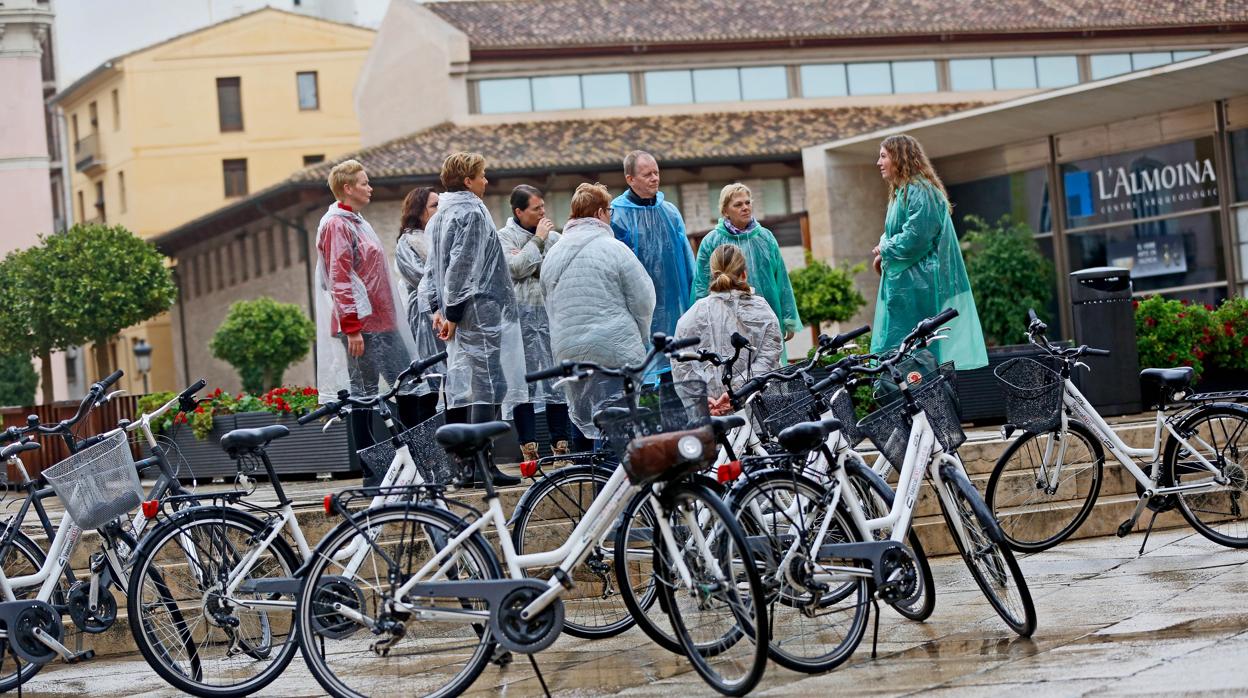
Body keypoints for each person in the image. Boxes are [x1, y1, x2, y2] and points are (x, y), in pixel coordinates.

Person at [424, 152, 527, 485]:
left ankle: (469, 467)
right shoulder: (471, 211)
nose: (487, 181)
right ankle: (481, 466)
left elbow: (433, 269)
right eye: (482, 175)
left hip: (458, 308)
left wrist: (437, 308)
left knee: (472, 384)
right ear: (468, 180)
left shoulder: (441, 214)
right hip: (478, 307)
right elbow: (462, 265)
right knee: (487, 383)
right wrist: (451, 311)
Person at [312, 159, 421, 448]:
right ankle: (372, 470)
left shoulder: (357, 221)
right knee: (364, 396)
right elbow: (338, 277)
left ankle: (415, 460)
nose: (370, 188)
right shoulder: (337, 225)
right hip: (362, 327)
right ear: (347, 188)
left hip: (382, 322)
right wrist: (352, 328)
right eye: (364, 183)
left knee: (407, 387)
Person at [544, 183, 656, 440]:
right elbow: (644, 299)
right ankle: (614, 476)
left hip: (569, 350)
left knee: (586, 420)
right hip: (612, 348)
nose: (611, 217)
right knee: (617, 422)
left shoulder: (553, 253)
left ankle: (587, 475)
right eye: (609, 211)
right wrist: (641, 335)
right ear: (599, 214)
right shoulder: (615, 249)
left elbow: (548, 303)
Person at [870, 134, 988, 369]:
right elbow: (897, 233)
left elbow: (917, 236)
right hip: (907, 289)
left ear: (900, 158)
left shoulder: (920, 190)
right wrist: (884, 251)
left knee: (920, 359)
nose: (878, 162)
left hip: (919, 288)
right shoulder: (902, 193)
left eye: (883, 156)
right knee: (904, 357)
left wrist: (885, 248)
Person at [497, 184, 574, 463]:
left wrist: (531, 261)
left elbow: (557, 272)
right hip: (520, 321)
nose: (543, 213)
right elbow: (514, 270)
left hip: (551, 318)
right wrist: (538, 243)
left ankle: (561, 450)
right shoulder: (503, 238)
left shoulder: (557, 238)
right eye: (536, 208)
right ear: (518, 211)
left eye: (543, 206)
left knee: (557, 381)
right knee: (523, 383)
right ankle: (528, 450)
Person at [692, 183, 801, 362]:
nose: (745, 207)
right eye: (738, 204)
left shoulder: (766, 237)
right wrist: (702, 324)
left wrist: (788, 318)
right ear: (725, 211)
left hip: (767, 317)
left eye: (747, 202)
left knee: (769, 367)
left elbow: (781, 278)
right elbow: (701, 285)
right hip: (726, 323)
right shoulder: (711, 242)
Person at [609, 150, 694, 379]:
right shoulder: (617, 216)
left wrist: (694, 296)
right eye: (647, 174)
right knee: (640, 371)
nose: (655, 178)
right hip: (638, 311)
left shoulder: (670, 212)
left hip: (674, 306)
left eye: (656, 172)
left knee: (675, 371)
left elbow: (687, 259)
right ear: (630, 179)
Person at [674, 244, 782, 414]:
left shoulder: (692, 315)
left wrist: (702, 398)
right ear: (744, 274)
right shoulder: (762, 309)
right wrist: (736, 391)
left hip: (711, 415)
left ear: (712, 274)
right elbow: (769, 360)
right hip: (758, 410)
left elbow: (681, 363)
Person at [394, 186, 445, 425]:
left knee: (445, 388)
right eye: (434, 205)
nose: (440, 210)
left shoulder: (444, 236)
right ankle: (424, 454)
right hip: (422, 320)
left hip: (446, 317)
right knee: (425, 387)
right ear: (419, 211)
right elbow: (420, 277)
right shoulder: (408, 242)